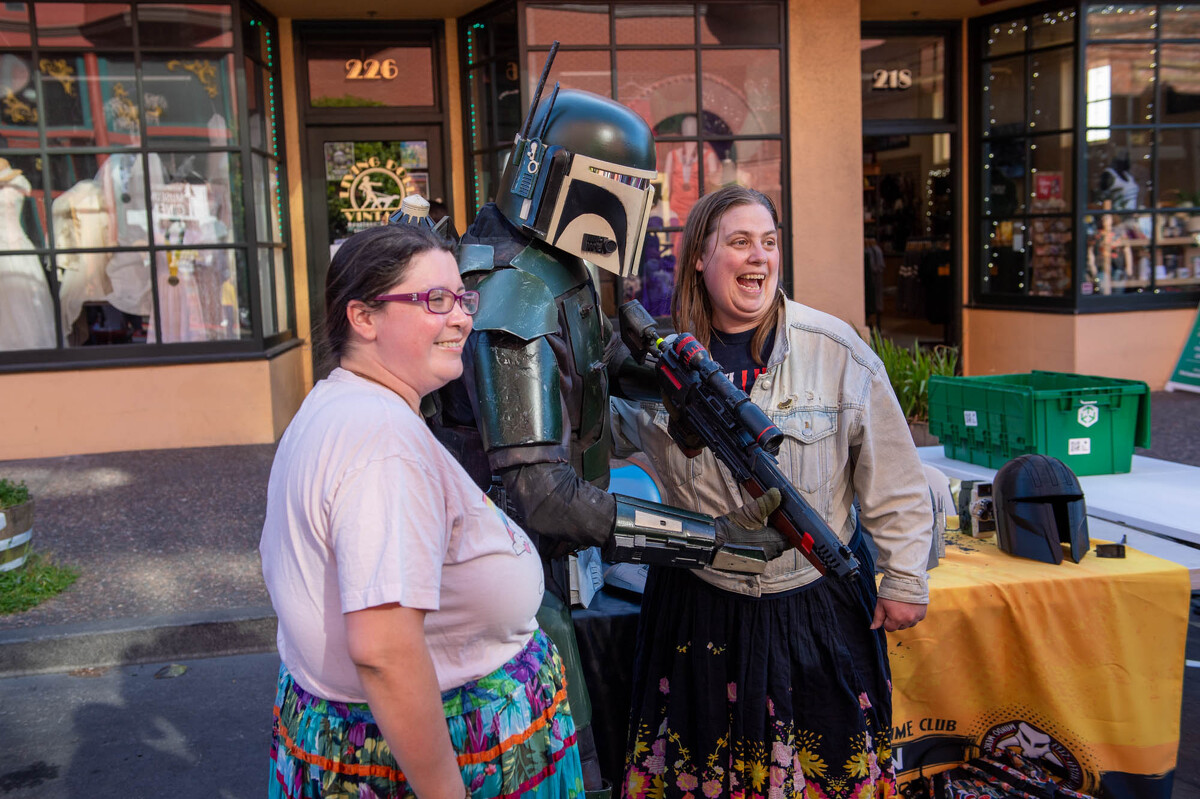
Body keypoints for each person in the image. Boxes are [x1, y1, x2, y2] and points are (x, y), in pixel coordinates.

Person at [433, 73, 786, 796]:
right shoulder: (517, 297)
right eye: (626, 188)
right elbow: (541, 495)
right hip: (508, 570)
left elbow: (596, 364)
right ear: (581, 186)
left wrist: (673, 376)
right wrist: (711, 538)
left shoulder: (551, 264)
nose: (638, 209)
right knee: (566, 758)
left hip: (538, 560)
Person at [612, 185, 933, 798]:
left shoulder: (834, 349)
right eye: (739, 242)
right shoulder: (658, 361)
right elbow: (596, 434)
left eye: (768, 241)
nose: (759, 256)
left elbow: (895, 478)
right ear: (700, 257)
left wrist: (904, 578)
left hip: (815, 603)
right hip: (697, 605)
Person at [260, 223, 584, 799]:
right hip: (450, 761)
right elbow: (383, 651)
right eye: (435, 300)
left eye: (462, 298)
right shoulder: (382, 443)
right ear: (364, 318)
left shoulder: (341, 401)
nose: (461, 319)